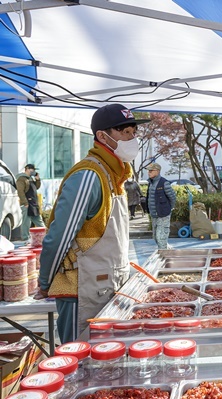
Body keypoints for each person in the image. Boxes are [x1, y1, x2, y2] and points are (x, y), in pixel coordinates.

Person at [38, 103, 149, 343]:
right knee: (79, 359)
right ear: (102, 136)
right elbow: (59, 237)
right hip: (82, 289)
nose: (132, 139)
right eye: (125, 132)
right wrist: (45, 282)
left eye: (133, 132)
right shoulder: (89, 176)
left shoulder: (115, 175)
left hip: (106, 286)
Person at [146, 163, 176, 249]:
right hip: (154, 214)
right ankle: (169, 250)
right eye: (148, 171)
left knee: (161, 238)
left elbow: (172, 197)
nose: (149, 173)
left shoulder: (164, 183)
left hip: (163, 214)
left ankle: (164, 257)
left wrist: (169, 208)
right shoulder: (150, 183)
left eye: (151, 171)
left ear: (157, 171)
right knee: (156, 237)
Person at [16, 163, 45, 241]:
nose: (34, 171)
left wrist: (38, 179)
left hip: (34, 203)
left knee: (39, 220)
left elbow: (36, 187)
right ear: (27, 169)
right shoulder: (21, 179)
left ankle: (46, 236)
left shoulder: (31, 178)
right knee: (26, 222)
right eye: (32, 169)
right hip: (27, 204)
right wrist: (25, 203)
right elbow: (20, 192)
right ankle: (25, 238)